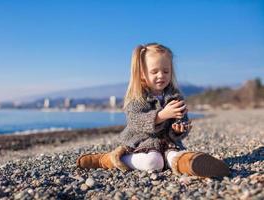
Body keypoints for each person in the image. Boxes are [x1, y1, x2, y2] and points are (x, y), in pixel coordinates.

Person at [76, 43, 229, 178]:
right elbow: (136, 121)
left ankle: (192, 163)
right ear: (142, 74)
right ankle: (111, 159)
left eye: (166, 71)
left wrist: (178, 129)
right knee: (154, 162)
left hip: (168, 143)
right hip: (141, 143)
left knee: (175, 156)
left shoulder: (175, 97)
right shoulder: (137, 96)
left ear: (171, 72)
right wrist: (162, 115)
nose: (161, 75)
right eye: (154, 71)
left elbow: (182, 121)